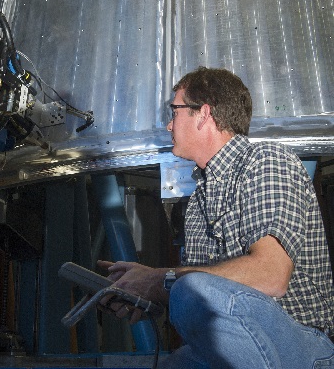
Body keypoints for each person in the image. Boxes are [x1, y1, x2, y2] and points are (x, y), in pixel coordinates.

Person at [98, 67, 334, 368]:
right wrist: (144, 293)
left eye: (175, 113)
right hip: (235, 346)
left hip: (301, 346)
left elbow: (271, 276)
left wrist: (161, 280)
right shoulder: (198, 200)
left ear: (204, 113)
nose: (170, 125)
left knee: (189, 288)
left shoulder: (266, 161)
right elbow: (210, 290)